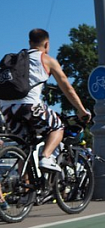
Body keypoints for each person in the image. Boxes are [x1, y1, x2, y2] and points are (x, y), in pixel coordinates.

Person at [0, 28, 90, 172]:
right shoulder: (46, 59)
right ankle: (46, 157)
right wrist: (81, 110)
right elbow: (67, 88)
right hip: (29, 106)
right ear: (47, 44)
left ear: (30, 42)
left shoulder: (15, 60)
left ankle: (25, 191)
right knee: (57, 127)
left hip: (6, 108)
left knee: (24, 150)